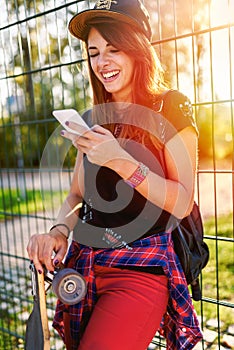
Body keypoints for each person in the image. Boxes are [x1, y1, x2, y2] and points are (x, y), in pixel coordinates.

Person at [27, 0, 203, 349]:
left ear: (138, 50)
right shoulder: (93, 117)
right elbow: (77, 196)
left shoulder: (170, 106)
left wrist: (120, 161)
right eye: (93, 52)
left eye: (114, 49)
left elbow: (182, 201)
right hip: (85, 266)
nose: (102, 62)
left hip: (139, 272)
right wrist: (58, 231)